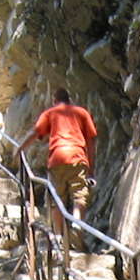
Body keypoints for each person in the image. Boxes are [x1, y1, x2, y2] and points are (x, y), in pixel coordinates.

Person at [30, 88, 98, 246]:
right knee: (79, 195)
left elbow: (36, 133)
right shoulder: (81, 113)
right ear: (69, 100)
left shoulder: (50, 113)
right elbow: (91, 141)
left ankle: (58, 236)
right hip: (77, 157)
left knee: (57, 198)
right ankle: (77, 225)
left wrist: (20, 148)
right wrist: (91, 169)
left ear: (54, 101)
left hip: (57, 158)